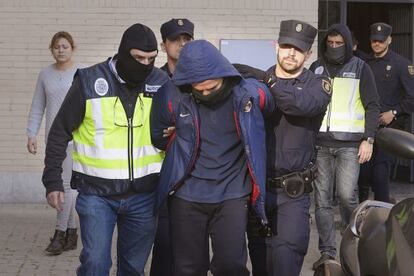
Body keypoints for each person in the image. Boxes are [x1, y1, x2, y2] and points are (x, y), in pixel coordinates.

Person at [41, 23, 169, 275]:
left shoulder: (160, 82)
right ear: (123, 52)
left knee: (133, 268)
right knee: (95, 264)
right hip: (96, 194)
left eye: (151, 59)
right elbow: (59, 131)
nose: (145, 65)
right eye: (138, 58)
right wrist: (52, 180)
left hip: (144, 195)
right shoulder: (89, 81)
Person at [150, 39, 274, 276]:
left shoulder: (248, 94)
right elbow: (158, 135)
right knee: (188, 268)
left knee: (230, 266)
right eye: (200, 90)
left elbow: (269, 105)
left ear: (224, 75)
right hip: (187, 194)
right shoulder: (171, 94)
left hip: (232, 194)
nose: (206, 93)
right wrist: (179, 136)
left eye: (212, 87)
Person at [236, 19, 331, 276]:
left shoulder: (318, 85)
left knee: (286, 263)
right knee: (261, 264)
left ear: (308, 54)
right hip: (258, 191)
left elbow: (298, 105)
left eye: (299, 49)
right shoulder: (257, 83)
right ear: (276, 46)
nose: (291, 53)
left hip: (293, 194)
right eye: (287, 46)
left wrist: (269, 81)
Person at [309, 23, 380, 270]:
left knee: (347, 197)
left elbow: (372, 106)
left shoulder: (361, 68)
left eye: (340, 43)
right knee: (322, 201)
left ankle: (353, 246)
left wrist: (368, 139)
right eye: (331, 43)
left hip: (351, 144)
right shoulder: (317, 67)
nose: (335, 47)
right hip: (320, 144)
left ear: (348, 44)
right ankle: (327, 252)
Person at [27, 31, 82, 255]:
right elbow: (38, 106)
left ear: (72, 48)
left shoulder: (81, 73)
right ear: (52, 49)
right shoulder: (45, 75)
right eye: (57, 46)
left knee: (66, 187)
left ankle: (59, 235)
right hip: (53, 140)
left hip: (75, 138)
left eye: (65, 46)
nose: (61, 50)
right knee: (64, 187)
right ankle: (71, 233)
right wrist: (31, 134)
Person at [150, 18, 196, 276]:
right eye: (175, 40)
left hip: (192, 174)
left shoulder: (201, 79)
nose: (181, 44)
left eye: (186, 39)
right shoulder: (153, 80)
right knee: (164, 245)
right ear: (164, 44)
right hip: (159, 171)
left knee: (191, 248)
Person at [358, 22, 414, 203]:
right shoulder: (363, 64)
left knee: (380, 175)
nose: (377, 44)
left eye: (381, 41)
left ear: (389, 40)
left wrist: (394, 112)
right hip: (365, 127)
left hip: (387, 130)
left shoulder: (401, 64)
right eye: (374, 40)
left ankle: (383, 215)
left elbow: (411, 97)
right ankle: (362, 215)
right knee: (362, 174)